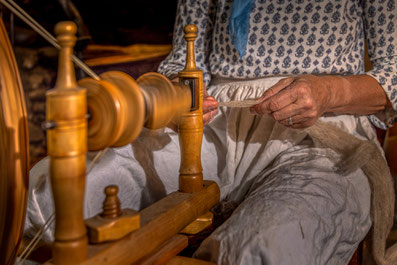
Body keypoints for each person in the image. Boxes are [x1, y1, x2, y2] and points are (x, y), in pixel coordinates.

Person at [26, 0, 397, 264]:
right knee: (48, 197)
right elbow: (183, 63)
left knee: (266, 247)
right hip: (211, 121)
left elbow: (393, 74)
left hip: (321, 130)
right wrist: (178, 93)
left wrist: (328, 92)